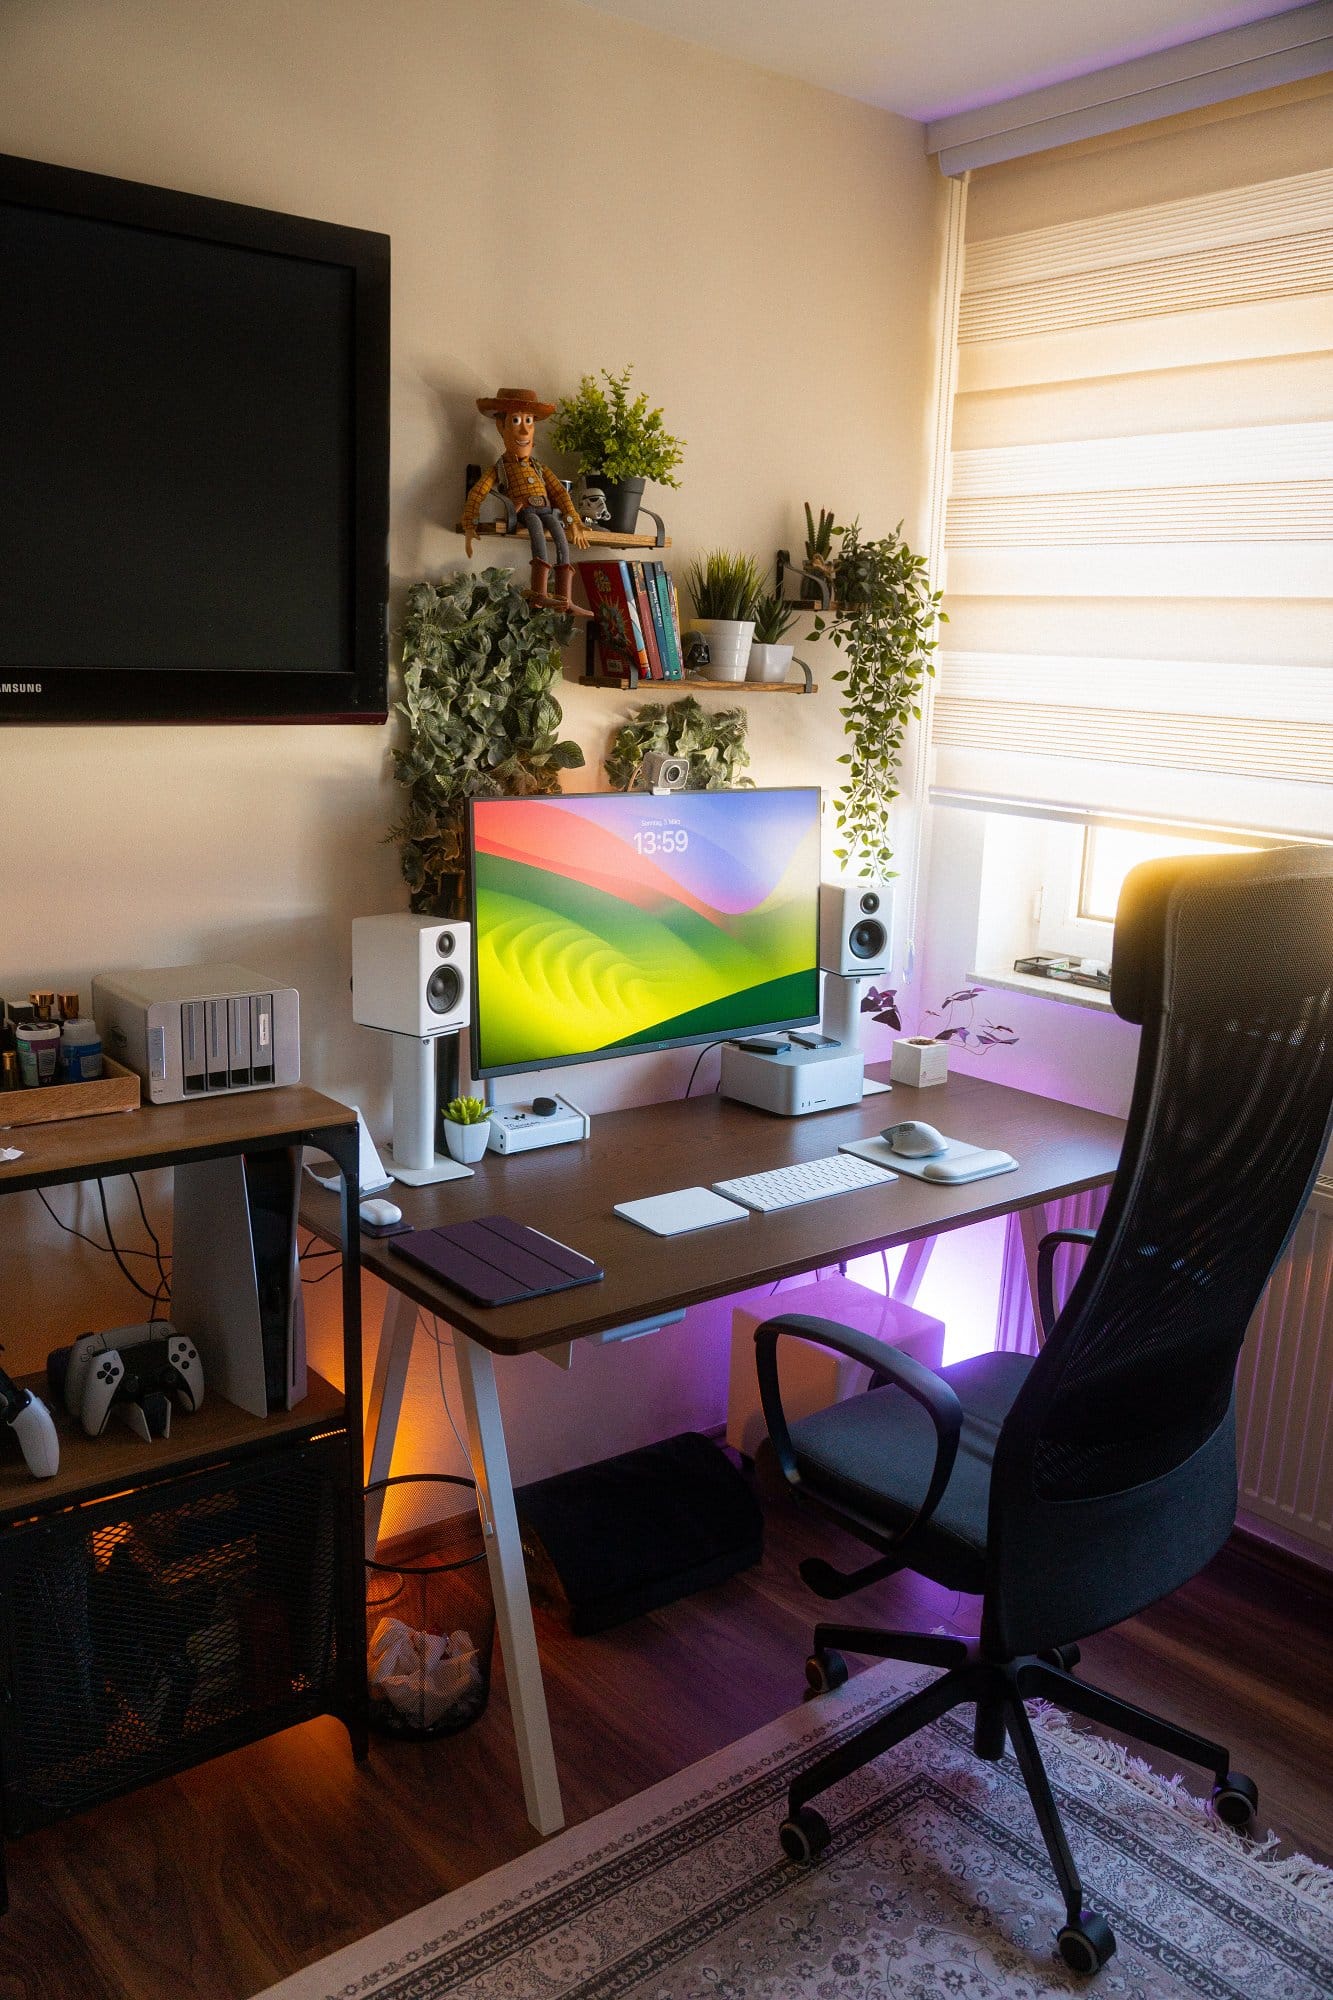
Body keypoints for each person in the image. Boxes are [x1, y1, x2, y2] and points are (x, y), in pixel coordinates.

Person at [461, 388, 591, 618]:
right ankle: (539, 594)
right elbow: (478, 491)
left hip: (547, 508)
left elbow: (560, 493)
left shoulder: (539, 467)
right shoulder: (501, 468)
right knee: (537, 535)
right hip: (526, 510)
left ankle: (565, 598)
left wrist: (573, 521)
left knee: (561, 538)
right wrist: (470, 523)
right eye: (516, 420)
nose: (524, 429)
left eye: (529, 421)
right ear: (501, 427)